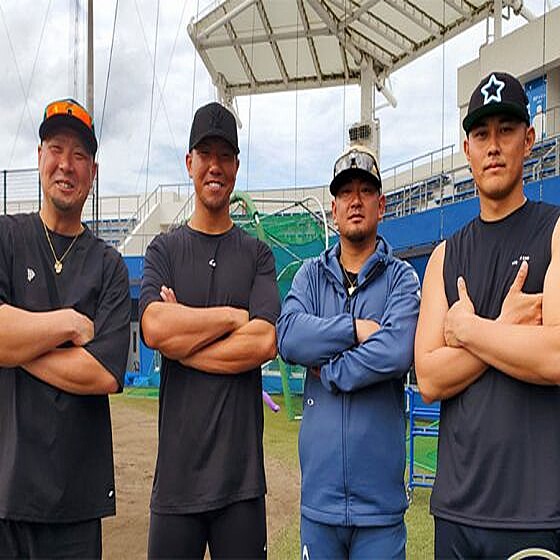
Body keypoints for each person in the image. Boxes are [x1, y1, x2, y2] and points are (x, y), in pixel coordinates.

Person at [415, 72, 560, 558]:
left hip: (536, 513)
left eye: (506, 130)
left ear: (529, 139)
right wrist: (504, 330)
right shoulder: (444, 256)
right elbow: (429, 377)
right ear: (467, 149)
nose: (493, 146)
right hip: (457, 511)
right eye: (481, 134)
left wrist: (468, 330)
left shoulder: (555, 231)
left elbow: (556, 355)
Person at [140, 101, 280, 559]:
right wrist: (232, 318)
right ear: (189, 162)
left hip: (240, 485)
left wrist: (183, 341)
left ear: (236, 166)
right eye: (205, 154)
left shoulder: (256, 254)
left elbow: (264, 340)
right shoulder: (164, 249)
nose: (214, 166)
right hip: (176, 484)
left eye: (225, 155)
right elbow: (155, 327)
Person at [0, 98, 131, 558]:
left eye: (79, 155)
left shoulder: (109, 265)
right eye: (56, 149)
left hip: (76, 502)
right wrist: (67, 324)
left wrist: (17, 346)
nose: (66, 165)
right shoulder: (7, 237)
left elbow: (103, 373)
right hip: (7, 494)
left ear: (92, 172)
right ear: (39, 156)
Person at [276, 143, 420, 559]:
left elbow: (396, 350)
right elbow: (289, 337)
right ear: (334, 209)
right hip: (319, 505)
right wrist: (353, 328)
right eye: (345, 192)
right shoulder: (309, 275)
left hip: (379, 510)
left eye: (366, 190)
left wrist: (329, 369)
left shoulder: (402, 278)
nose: (355, 200)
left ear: (382, 205)